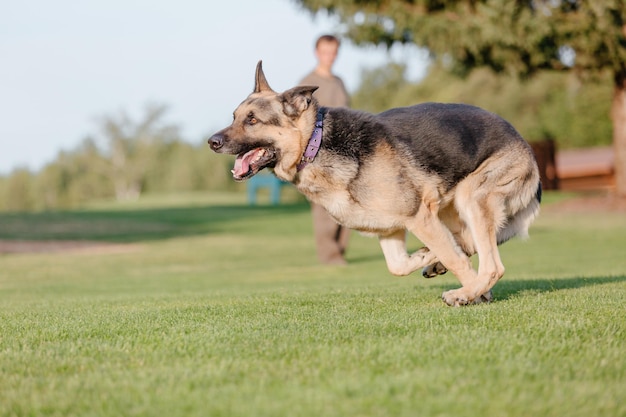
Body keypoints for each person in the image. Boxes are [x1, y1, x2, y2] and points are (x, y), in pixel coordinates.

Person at [299, 34, 351, 265]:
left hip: (342, 152)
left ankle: (339, 250)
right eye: (325, 52)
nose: (329, 57)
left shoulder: (339, 81)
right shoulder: (307, 83)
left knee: (345, 202)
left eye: (333, 52)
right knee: (322, 206)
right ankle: (329, 255)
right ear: (317, 53)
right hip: (317, 154)